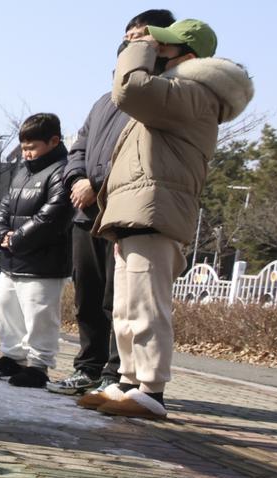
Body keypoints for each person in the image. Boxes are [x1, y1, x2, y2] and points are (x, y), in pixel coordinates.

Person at [83, 18, 253, 419]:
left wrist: (137, 48)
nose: (153, 51)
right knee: (126, 307)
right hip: (137, 210)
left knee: (146, 305)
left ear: (188, 56)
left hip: (155, 208)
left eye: (162, 47)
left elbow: (128, 89)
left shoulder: (193, 91)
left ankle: (151, 389)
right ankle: (127, 381)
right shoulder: (179, 92)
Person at [49, 9, 176, 398]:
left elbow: (138, 159)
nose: (132, 41)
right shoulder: (104, 100)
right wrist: (77, 180)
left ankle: (114, 371)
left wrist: (97, 185)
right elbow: (79, 147)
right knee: (87, 296)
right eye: (128, 35)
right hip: (84, 212)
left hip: (120, 211)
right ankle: (86, 367)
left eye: (142, 35)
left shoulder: (156, 98)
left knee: (117, 300)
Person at [0, 113, 73, 388]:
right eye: (24, 148)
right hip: (12, 261)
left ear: (54, 141)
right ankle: (13, 357)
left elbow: (53, 216)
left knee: (39, 316)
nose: (27, 154)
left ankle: (38, 365)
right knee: (7, 310)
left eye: (32, 148)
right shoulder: (23, 172)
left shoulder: (62, 171)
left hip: (44, 263)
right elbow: (3, 208)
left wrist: (16, 238)